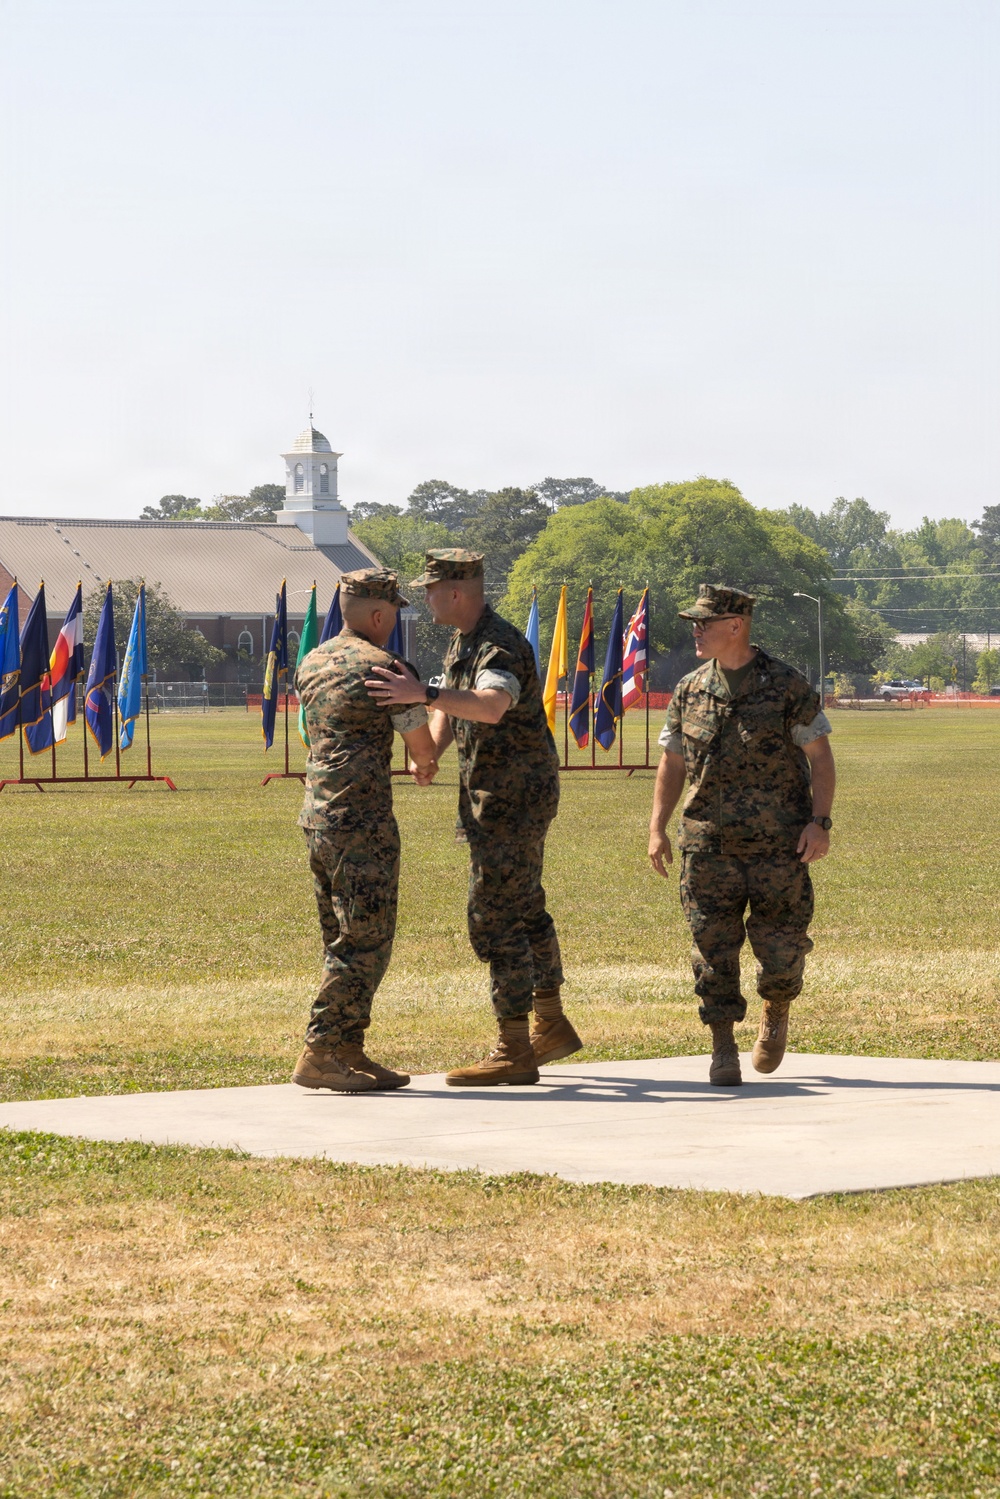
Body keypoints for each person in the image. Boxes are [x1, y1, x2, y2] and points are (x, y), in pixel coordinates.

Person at [366, 549, 581, 1086]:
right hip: (495, 795)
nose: (423, 597)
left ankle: (514, 1048)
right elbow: (449, 711)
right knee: (526, 906)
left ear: (456, 593)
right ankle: (550, 1024)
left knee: (495, 916)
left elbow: (488, 706)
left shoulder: (498, 644)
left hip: (514, 799)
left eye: (431, 589)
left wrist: (424, 691)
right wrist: (430, 753)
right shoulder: (465, 640)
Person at [647, 584, 835, 1086]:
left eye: (704, 623)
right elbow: (672, 761)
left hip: (779, 847)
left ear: (737, 625)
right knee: (712, 948)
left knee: (781, 948)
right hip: (707, 845)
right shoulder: (689, 689)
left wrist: (820, 822)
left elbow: (820, 758)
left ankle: (776, 1008)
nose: (695, 631)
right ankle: (722, 1046)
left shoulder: (787, 685)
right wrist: (657, 827)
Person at [291, 569, 440, 1094]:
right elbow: (421, 746)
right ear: (379, 615)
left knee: (341, 938)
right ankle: (321, 1048)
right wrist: (426, 762)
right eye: (395, 611)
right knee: (366, 940)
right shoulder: (385, 668)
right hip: (363, 821)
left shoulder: (312, 660)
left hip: (318, 815)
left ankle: (348, 1050)